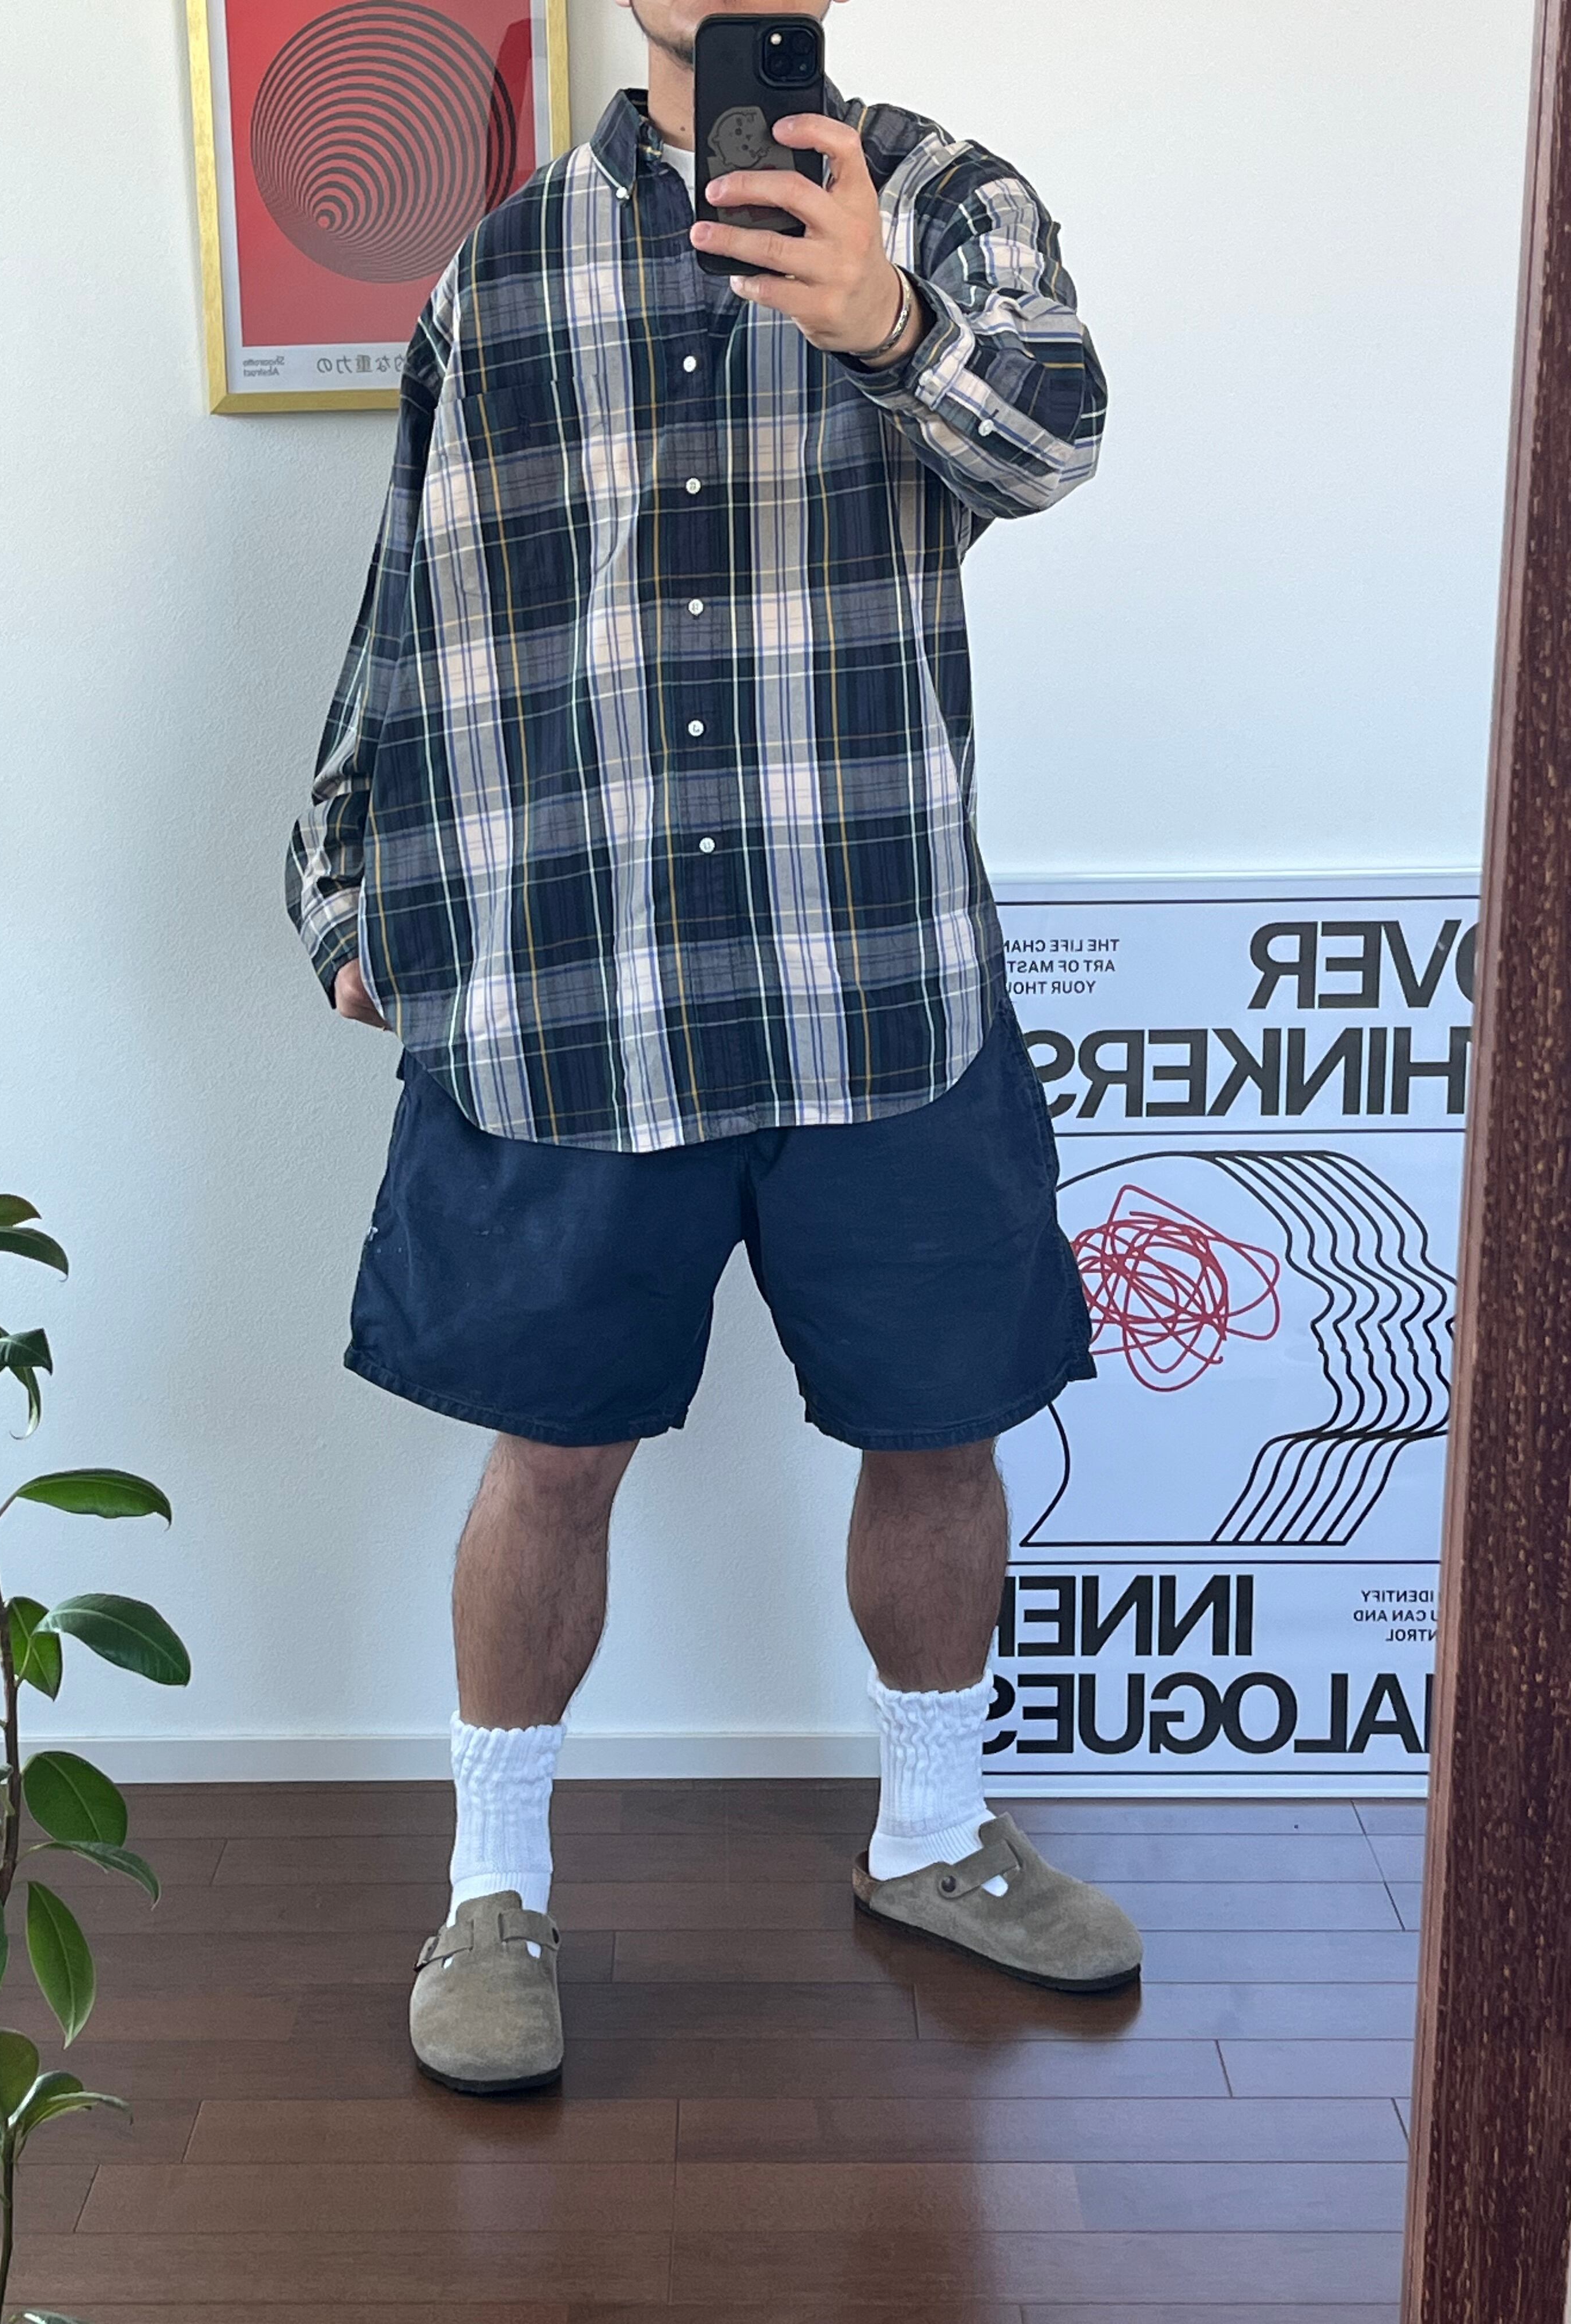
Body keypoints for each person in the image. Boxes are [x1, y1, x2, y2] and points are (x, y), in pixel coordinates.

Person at [286, 0, 1141, 2097]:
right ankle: (494, 1885)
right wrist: (347, 866)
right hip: (578, 978)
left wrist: (886, 322)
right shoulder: (503, 266)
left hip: (877, 972)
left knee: (940, 1429)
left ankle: (932, 1834)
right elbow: (417, 590)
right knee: (549, 1454)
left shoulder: (946, 203)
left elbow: (1054, 449)